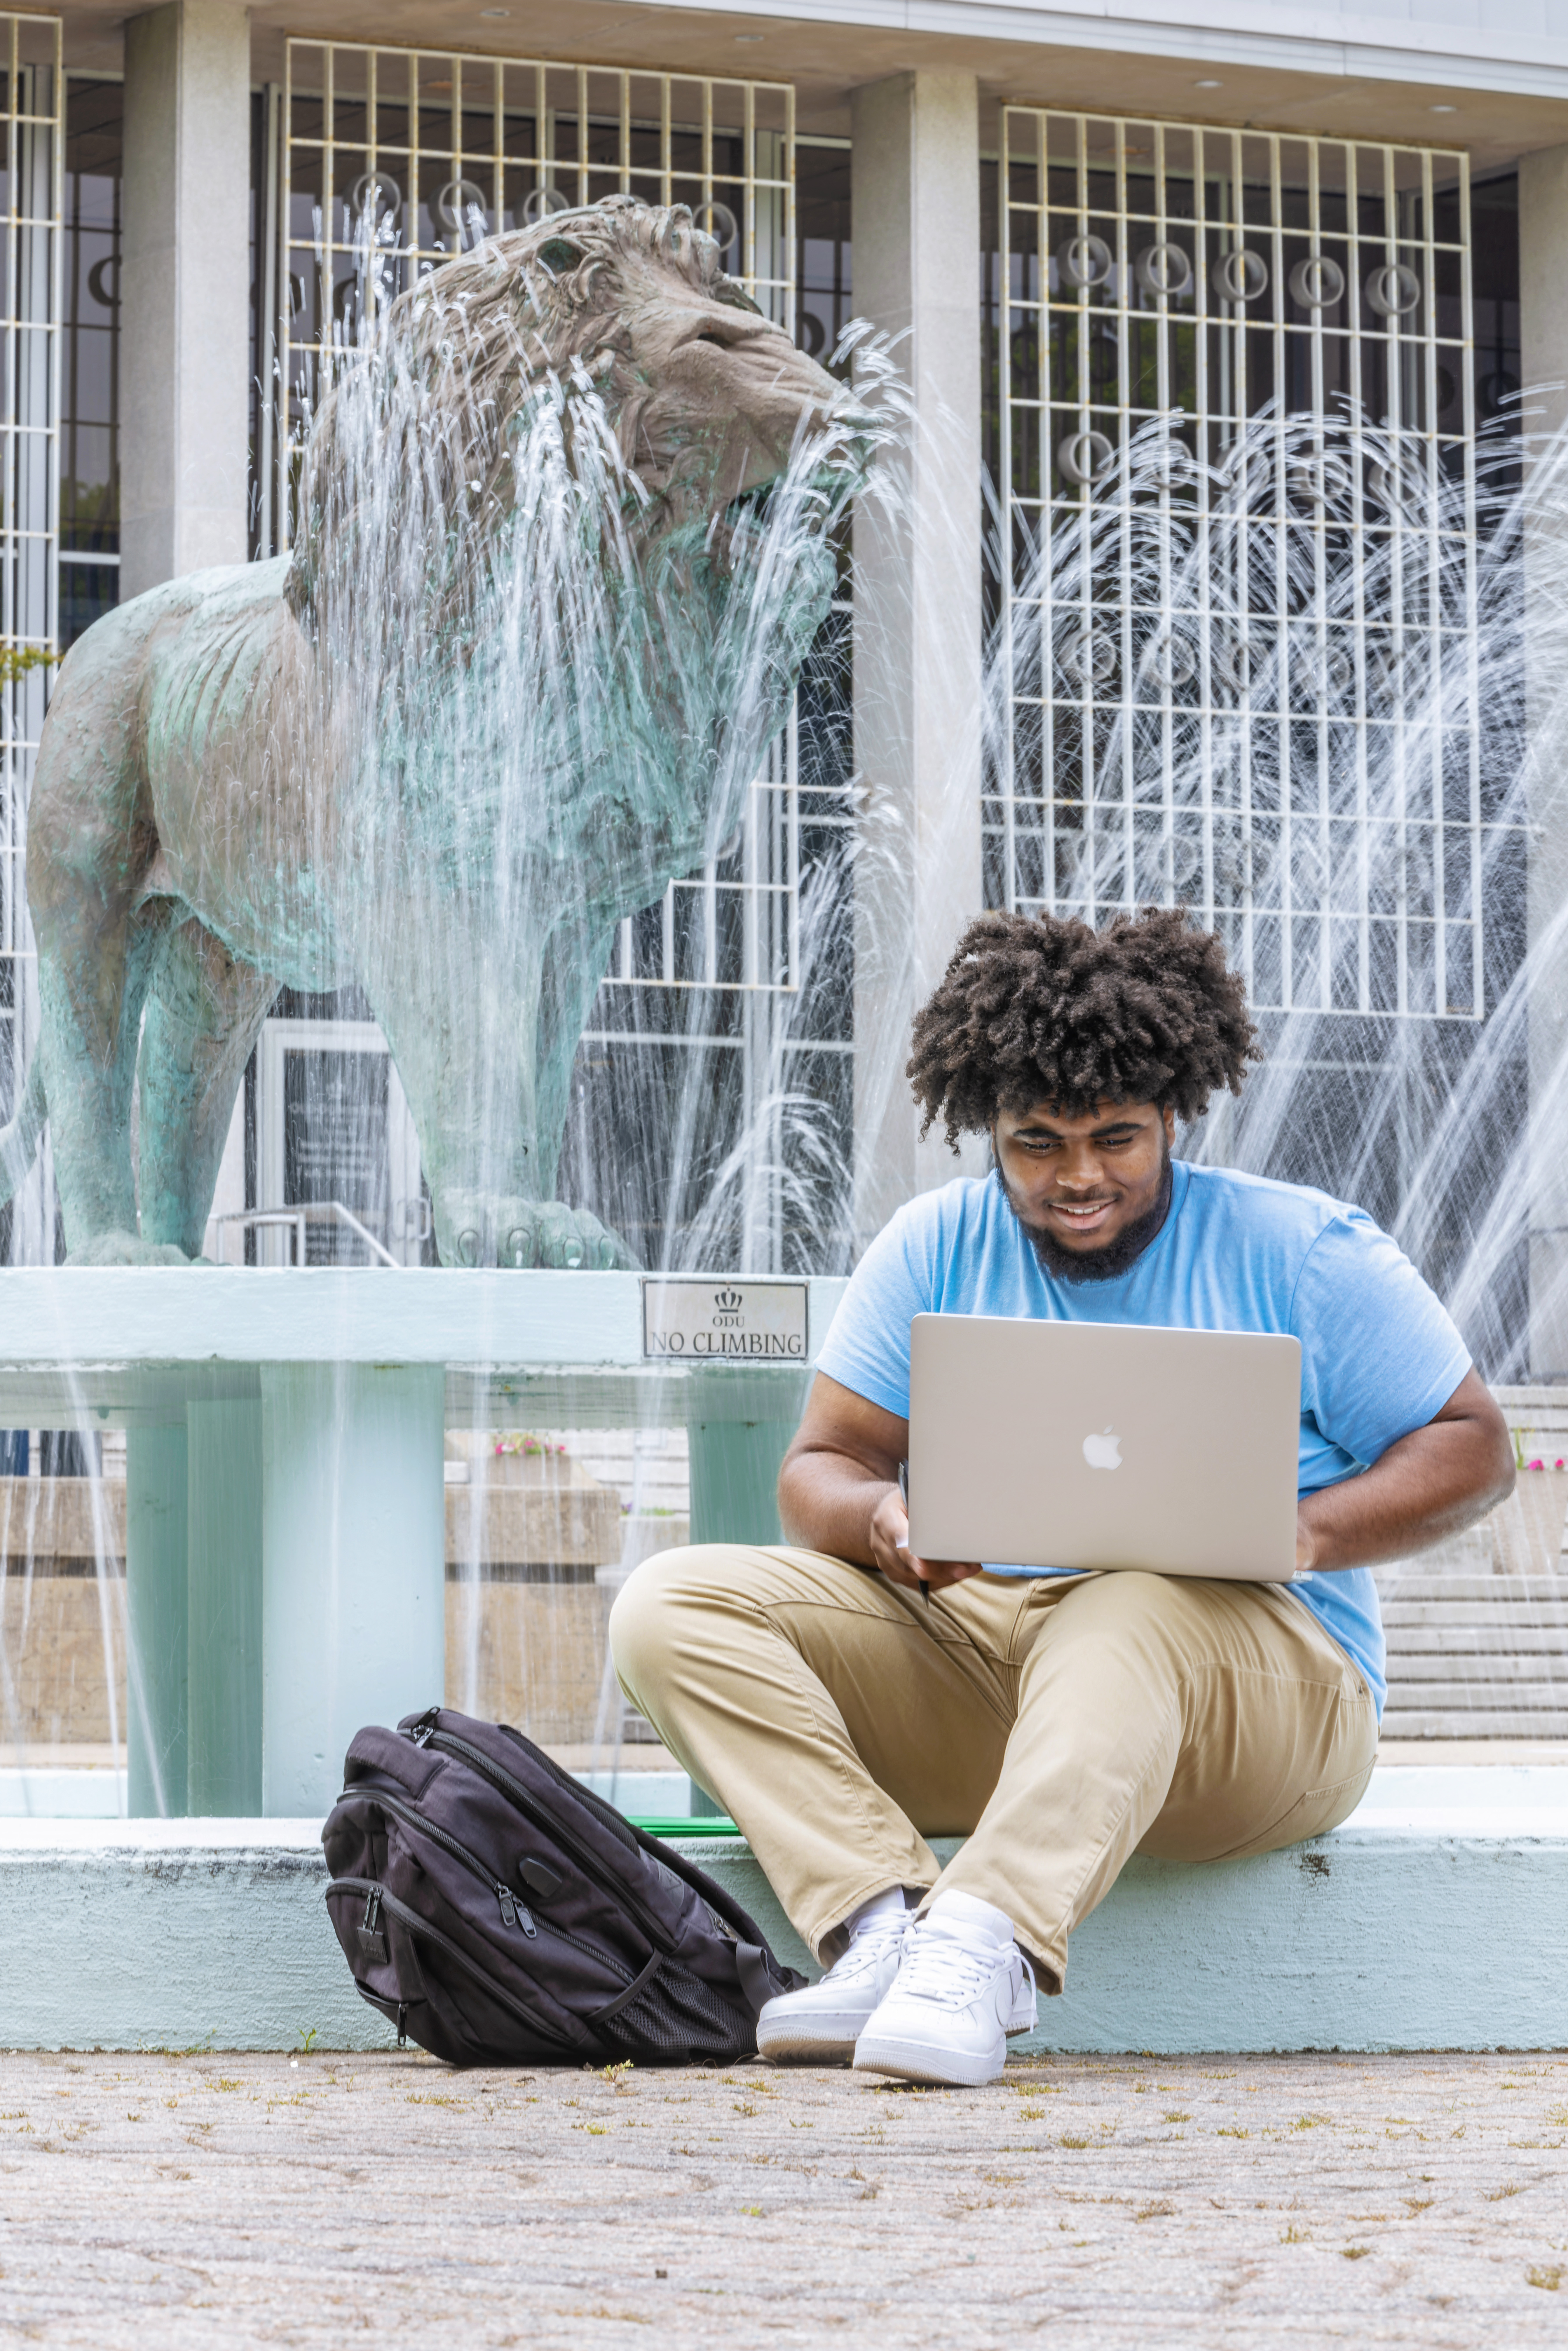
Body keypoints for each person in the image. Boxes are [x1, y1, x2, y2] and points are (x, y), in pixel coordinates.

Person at [609, 907, 1514, 2088]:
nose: (1080, 1177)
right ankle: (881, 1930)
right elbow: (818, 1467)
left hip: (1266, 1705)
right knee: (672, 1602)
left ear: (1175, 1115)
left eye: (1117, 1139)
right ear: (987, 1123)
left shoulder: (1304, 1251)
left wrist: (1305, 1530)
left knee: (1127, 1601)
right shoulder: (933, 1244)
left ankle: (985, 1945)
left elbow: (1476, 1446)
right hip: (1015, 1673)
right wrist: (884, 1525)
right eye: (1038, 1144)